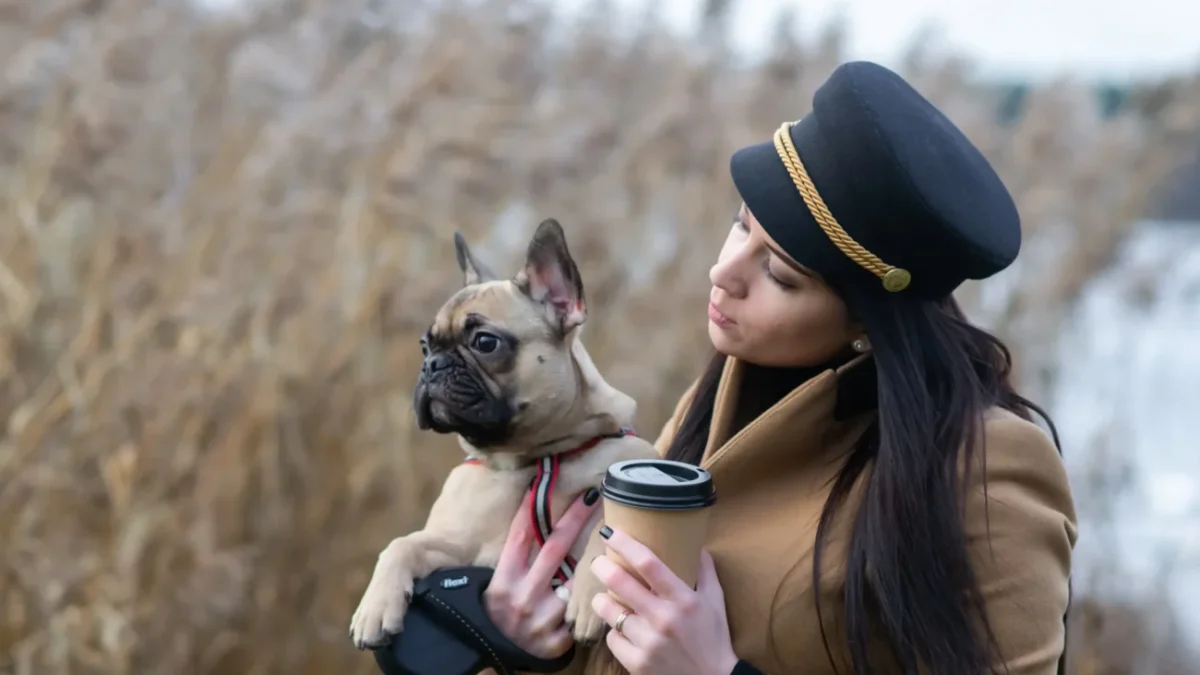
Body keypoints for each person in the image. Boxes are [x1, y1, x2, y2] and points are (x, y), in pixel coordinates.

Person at [479, 60, 1078, 675]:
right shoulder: (718, 397)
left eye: (779, 275)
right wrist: (523, 647)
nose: (724, 272)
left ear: (869, 321)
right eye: (740, 225)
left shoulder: (987, 468)